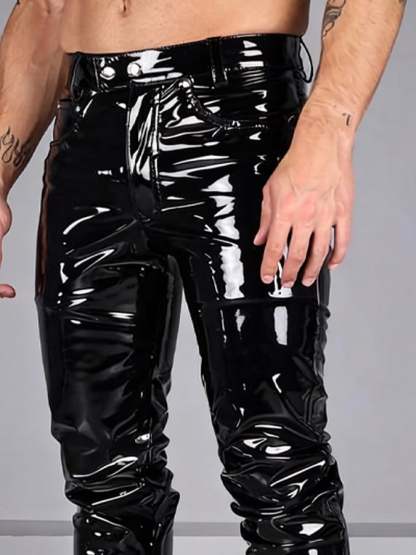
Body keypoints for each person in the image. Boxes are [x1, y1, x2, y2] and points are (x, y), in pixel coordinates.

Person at [0, 1, 407, 554]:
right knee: (102, 473)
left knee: (277, 462)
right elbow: (46, 9)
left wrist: (326, 131)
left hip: (239, 119)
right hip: (88, 133)